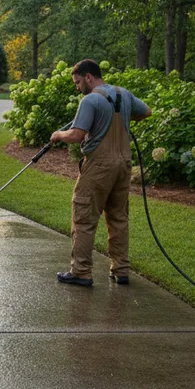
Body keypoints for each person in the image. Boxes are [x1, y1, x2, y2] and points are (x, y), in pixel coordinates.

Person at [49, 60, 151, 287]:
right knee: (118, 217)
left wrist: (58, 134)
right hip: (124, 164)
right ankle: (121, 270)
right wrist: (123, 119)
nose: (77, 87)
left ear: (88, 77)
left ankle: (81, 272)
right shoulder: (123, 94)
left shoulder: (90, 100)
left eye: (77, 82)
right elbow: (146, 112)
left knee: (84, 217)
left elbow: (76, 135)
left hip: (99, 166)